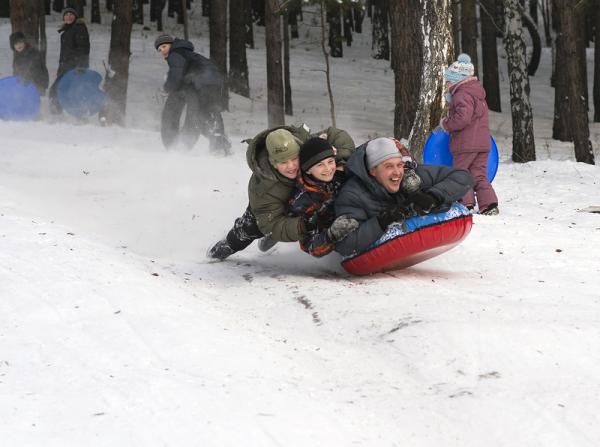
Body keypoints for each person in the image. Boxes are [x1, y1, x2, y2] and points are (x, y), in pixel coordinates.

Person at [207, 125, 355, 260]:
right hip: (273, 208)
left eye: (294, 159)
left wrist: (336, 156)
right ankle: (226, 246)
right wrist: (302, 226)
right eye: (283, 162)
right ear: (273, 163)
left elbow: (336, 135)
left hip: (307, 195)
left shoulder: (305, 143)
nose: (291, 166)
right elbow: (271, 224)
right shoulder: (264, 189)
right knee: (249, 229)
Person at [334, 137, 474, 257]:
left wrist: (433, 196)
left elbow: (462, 177)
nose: (397, 173)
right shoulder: (352, 194)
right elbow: (344, 244)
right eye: (388, 166)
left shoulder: (410, 178)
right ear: (373, 171)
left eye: (399, 165)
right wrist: (383, 221)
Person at [440, 53, 499, 215]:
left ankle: (465, 205)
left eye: (449, 81)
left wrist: (446, 124)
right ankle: (489, 204)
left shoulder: (462, 95)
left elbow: (462, 119)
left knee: (461, 174)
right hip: (483, 144)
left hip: (466, 145)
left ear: (457, 80)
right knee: (479, 174)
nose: (447, 85)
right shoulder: (477, 94)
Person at [154, 34, 230, 153]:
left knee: (197, 115)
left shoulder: (175, 53)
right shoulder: (186, 54)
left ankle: (182, 145)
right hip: (214, 83)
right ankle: (220, 146)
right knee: (209, 113)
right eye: (159, 49)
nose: (162, 51)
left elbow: (176, 73)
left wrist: (166, 88)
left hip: (201, 83)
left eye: (164, 46)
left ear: (171, 44)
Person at [287, 137, 359, 257]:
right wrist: (332, 235)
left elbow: (363, 159)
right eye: (320, 165)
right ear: (308, 170)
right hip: (326, 226)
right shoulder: (302, 201)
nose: (328, 169)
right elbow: (308, 245)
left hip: (346, 213)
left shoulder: (340, 173)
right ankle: (270, 238)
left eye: (330, 161)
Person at [48, 7, 90, 114]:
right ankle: (60, 114)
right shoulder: (68, 30)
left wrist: (81, 66)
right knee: (60, 91)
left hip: (74, 67)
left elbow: (83, 48)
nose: (69, 17)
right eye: (66, 15)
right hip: (65, 66)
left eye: (71, 14)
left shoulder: (79, 28)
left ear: (75, 17)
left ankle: (62, 115)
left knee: (58, 91)